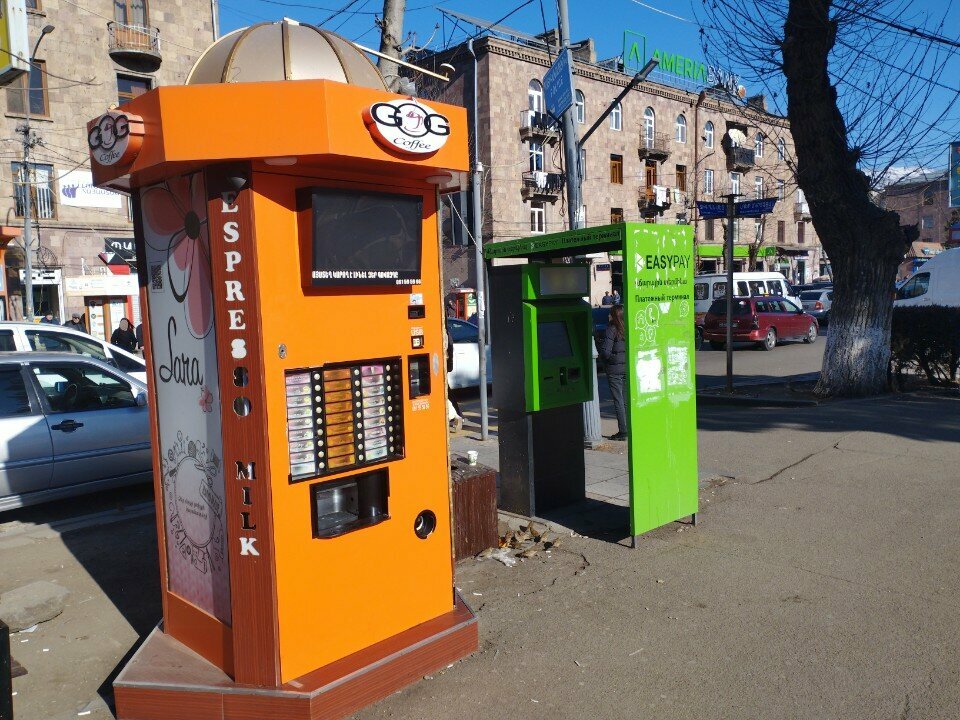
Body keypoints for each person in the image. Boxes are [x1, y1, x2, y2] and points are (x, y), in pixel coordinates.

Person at [601, 305, 628, 442]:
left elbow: (606, 352)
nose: (608, 316)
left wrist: (603, 356)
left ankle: (623, 431)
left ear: (613, 315)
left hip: (614, 370)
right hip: (626, 368)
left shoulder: (611, 329)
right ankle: (628, 428)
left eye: (610, 313)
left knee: (618, 400)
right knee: (625, 400)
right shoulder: (626, 328)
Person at [446, 326, 464, 432]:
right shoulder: (445, 332)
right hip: (441, 367)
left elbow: (449, 348)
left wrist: (448, 366)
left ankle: (456, 415)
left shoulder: (444, 333)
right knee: (447, 393)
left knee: (445, 394)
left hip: (440, 368)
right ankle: (457, 415)